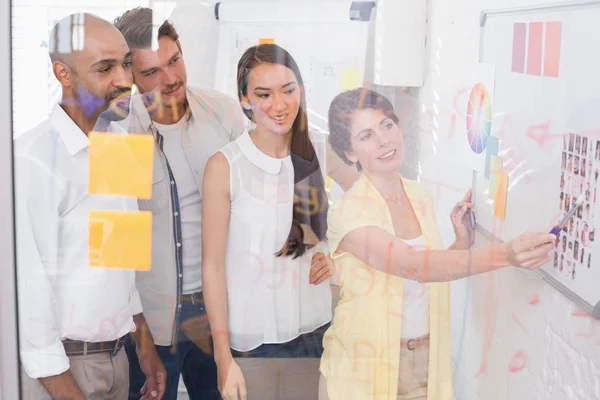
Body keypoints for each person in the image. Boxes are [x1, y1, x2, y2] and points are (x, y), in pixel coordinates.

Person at [317, 88, 556, 400]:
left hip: (425, 362)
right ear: (350, 153)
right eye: (366, 136)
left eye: (387, 125)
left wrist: (460, 244)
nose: (383, 141)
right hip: (362, 370)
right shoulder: (346, 212)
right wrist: (506, 254)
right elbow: (412, 265)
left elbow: (426, 276)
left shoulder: (419, 195)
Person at [14, 13, 165, 400]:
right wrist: (64, 388)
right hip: (66, 371)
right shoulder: (32, 160)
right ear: (62, 73)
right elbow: (30, 293)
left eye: (126, 63)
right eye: (105, 68)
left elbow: (120, 260)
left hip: (119, 358)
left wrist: (144, 345)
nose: (125, 80)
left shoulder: (117, 142)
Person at [113, 7, 246, 400]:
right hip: (152, 323)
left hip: (218, 313)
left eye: (174, 61)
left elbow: (256, 197)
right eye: (152, 72)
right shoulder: (119, 133)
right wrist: (140, 337)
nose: (170, 79)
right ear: (130, 77)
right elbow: (115, 252)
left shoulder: (222, 113)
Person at [202, 43, 334, 400]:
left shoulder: (320, 149)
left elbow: (361, 210)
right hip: (250, 345)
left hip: (313, 334)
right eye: (264, 94)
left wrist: (335, 255)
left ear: (301, 90)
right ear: (245, 99)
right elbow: (212, 268)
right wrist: (222, 358)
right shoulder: (225, 166)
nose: (279, 105)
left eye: (288, 90)